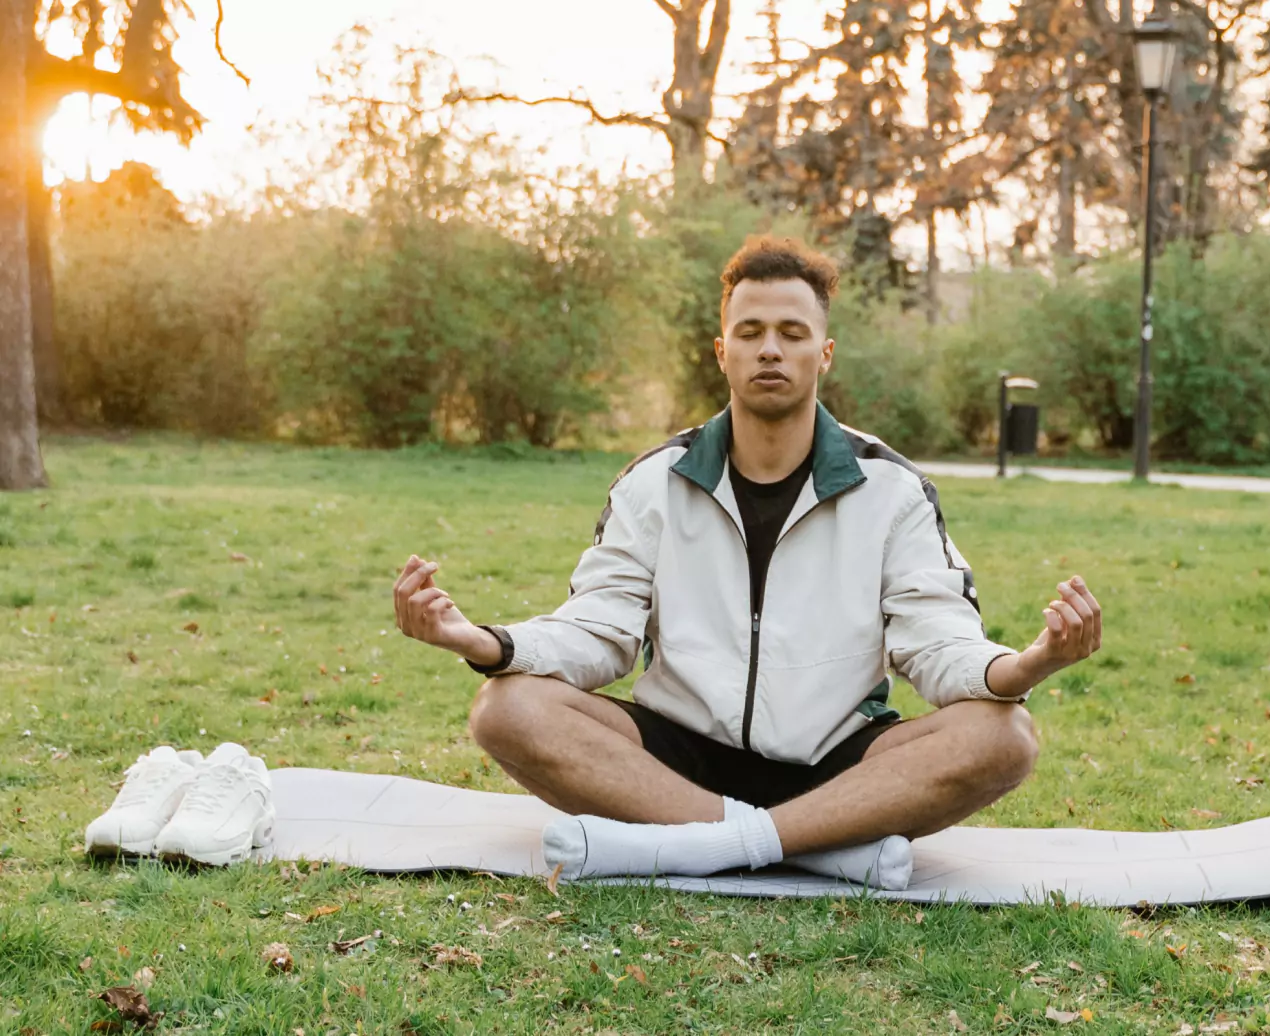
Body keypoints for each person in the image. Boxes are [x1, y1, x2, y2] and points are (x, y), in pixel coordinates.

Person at [393, 236, 1102, 890]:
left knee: (1002, 734)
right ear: (721, 351)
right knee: (506, 707)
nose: (771, 350)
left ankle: (709, 843)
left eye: (793, 334)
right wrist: (482, 642)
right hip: (679, 760)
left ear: (824, 353)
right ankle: (808, 847)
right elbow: (598, 631)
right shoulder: (656, 482)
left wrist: (1029, 663)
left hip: (838, 765)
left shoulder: (891, 490)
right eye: (751, 332)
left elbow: (939, 643)